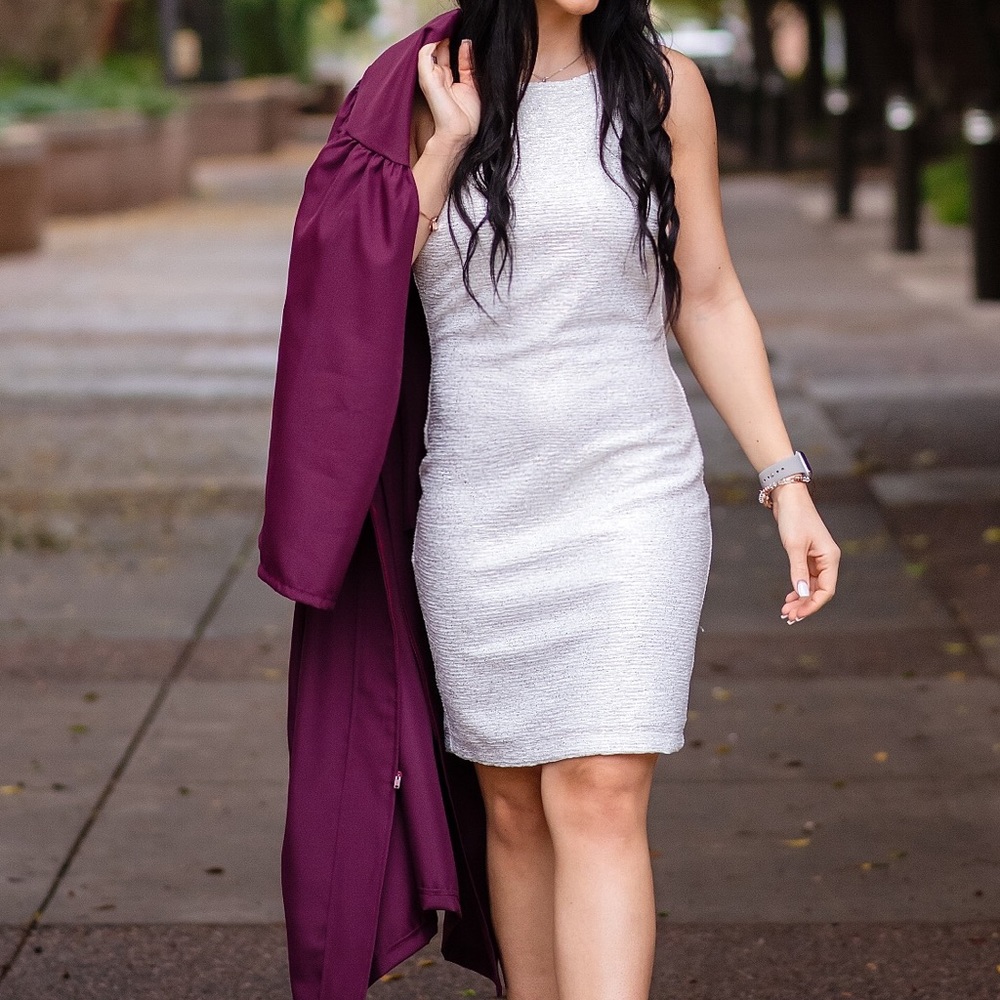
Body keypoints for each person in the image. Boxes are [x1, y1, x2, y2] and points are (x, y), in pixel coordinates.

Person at [258, 2, 841, 998]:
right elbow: (353, 303)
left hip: (631, 492)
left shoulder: (664, 88)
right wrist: (443, 148)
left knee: (602, 793)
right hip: (479, 505)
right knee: (516, 807)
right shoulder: (418, 86)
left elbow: (705, 295)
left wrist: (784, 479)